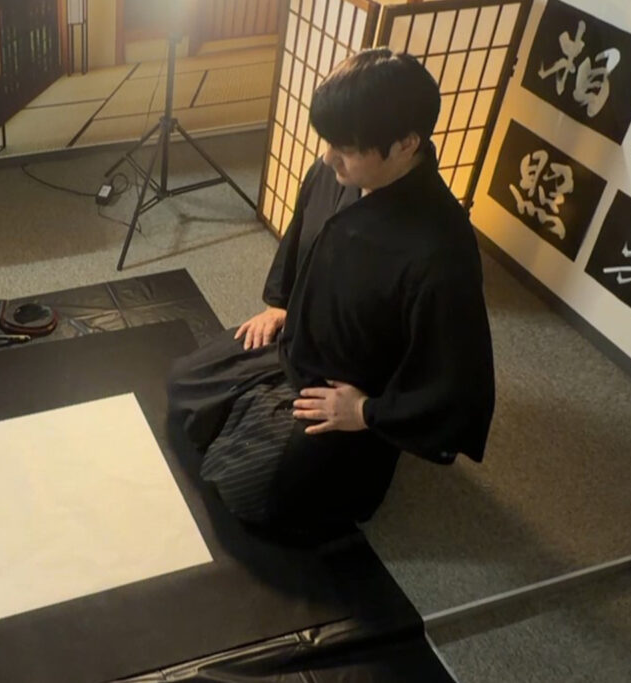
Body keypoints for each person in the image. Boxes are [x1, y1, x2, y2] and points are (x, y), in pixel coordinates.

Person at [168, 48, 496, 541]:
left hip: (351, 391)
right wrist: (279, 305)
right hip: (297, 341)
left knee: (251, 490)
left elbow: (457, 382)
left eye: (346, 147)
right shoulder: (335, 172)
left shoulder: (441, 249)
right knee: (182, 383)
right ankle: (260, 407)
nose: (327, 157)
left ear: (406, 143)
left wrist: (364, 412)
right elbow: (301, 237)